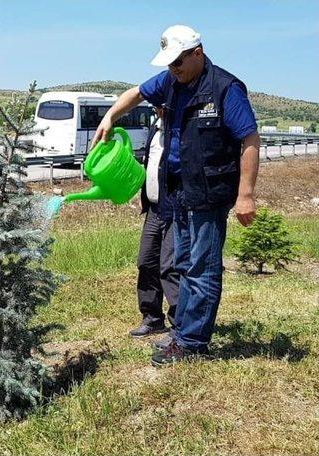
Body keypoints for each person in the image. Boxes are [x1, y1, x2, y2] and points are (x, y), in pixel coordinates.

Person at [92, 25, 260, 366]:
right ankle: (183, 331)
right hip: (177, 192)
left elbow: (250, 141)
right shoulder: (170, 81)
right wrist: (110, 115)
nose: (173, 69)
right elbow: (136, 92)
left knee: (201, 268)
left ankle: (193, 343)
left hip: (209, 192)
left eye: (178, 62)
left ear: (197, 52)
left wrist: (246, 195)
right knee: (182, 265)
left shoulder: (226, 89)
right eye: (168, 64)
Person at [130, 107, 180, 341]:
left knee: (170, 267)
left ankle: (180, 325)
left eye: (161, 106)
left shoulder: (181, 131)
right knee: (146, 262)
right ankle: (152, 318)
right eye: (155, 106)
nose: (157, 110)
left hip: (174, 209)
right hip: (153, 209)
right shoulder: (155, 128)